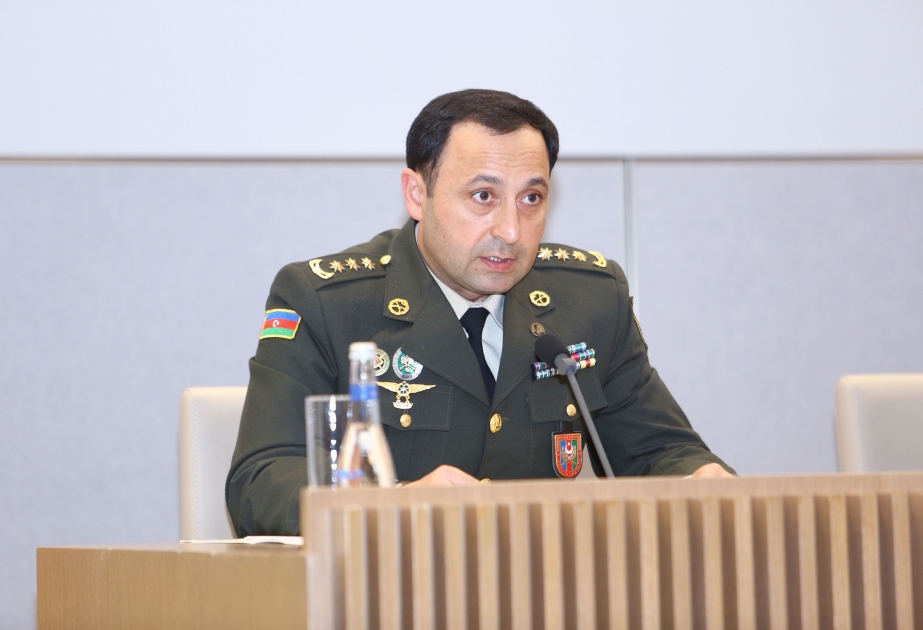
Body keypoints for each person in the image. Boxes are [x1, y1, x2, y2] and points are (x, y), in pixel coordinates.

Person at [226, 89, 733, 536]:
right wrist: (394, 505)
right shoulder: (327, 303)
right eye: (483, 196)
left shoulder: (591, 300)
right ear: (417, 195)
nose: (511, 230)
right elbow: (261, 480)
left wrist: (700, 479)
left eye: (531, 198)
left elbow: (659, 451)